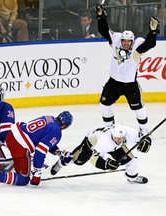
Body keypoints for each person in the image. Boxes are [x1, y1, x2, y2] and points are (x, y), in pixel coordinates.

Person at [95, 4, 159, 134]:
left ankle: (144, 130)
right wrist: (101, 17)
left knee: (139, 108)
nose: (125, 43)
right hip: (113, 82)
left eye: (128, 41)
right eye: (124, 41)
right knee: (104, 104)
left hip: (130, 84)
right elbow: (104, 31)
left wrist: (152, 32)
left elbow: (149, 44)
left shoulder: (137, 47)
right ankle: (109, 129)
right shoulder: (116, 41)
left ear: (132, 41)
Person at [0, 111, 73, 187]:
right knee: (24, 179)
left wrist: (59, 152)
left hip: (11, 135)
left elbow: (43, 140)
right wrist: (36, 172)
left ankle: (17, 161)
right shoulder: (57, 132)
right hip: (19, 147)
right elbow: (40, 151)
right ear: (65, 126)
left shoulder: (49, 118)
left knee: (22, 158)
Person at [50, 124, 152, 184]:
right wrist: (106, 165)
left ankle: (132, 178)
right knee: (77, 160)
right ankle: (61, 162)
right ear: (112, 135)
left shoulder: (129, 133)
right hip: (92, 142)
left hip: (113, 147)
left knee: (133, 163)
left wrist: (146, 142)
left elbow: (145, 137)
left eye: (121, 138)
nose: (120, 140)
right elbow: (94, 159)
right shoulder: (104, 142)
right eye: (117, 138)